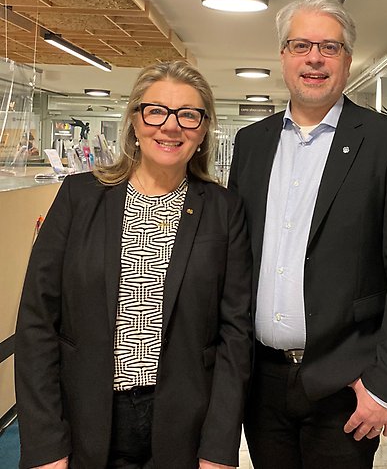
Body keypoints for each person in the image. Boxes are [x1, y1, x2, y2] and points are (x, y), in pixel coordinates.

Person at [15, 60, 252, 469]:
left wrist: (218, 446)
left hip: (184, 424)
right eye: (156, 110)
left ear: (203, 130)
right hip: (85, 419)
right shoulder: (79, 197)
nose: (171, 126)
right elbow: (37, 321)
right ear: (135, 121)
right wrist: (45, 444)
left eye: (188, 115)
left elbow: (235, 334)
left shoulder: (224, 210)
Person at [228, 0, 387, 469]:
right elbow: (236, 257)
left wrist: (385, 384)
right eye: (301, 45)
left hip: (347, 383)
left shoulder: (386, 142)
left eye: (329, 47)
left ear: (347, 59)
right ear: (283, 56)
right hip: (261, 381)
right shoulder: (251, 143)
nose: (314, 58)